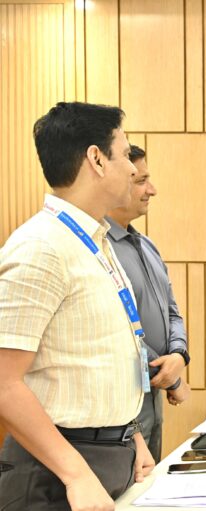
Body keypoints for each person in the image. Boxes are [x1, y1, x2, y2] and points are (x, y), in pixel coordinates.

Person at [0, 102, 155, 510]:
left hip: (109, 456)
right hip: (56, 473)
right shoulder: (41, 247)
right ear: (97, 159)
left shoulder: (95, 241)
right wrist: (75, 473)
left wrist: (131, 434)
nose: (132, 169)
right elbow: (3, 382)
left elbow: (96, 358)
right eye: (125, 155)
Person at [106, 144, 191, 462]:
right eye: (141, 180)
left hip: (153, 394)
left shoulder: (146, 245)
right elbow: (120, 330)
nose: (151, 190)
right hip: (121, 401)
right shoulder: (100, 250)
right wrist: (170, 375)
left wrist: (179, 355)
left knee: (148, 481)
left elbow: (172, 311)